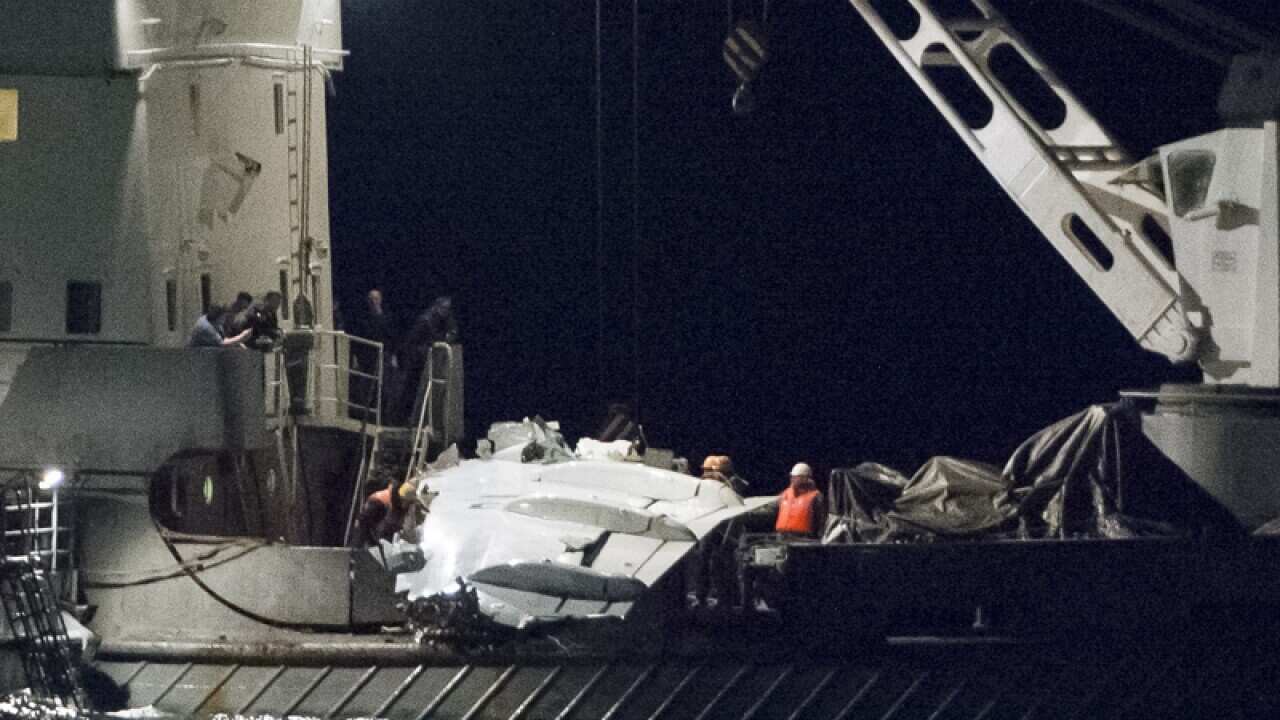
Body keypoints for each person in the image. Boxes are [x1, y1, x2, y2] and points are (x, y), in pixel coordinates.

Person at [775, 462, 826, 538]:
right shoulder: (784, 494)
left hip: (804, 539)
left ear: (806, 478)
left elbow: (822, 520)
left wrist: (821, 537)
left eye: (797, 477)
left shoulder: (816, 496)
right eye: (792, 477)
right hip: (782, 537)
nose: (793, 479)